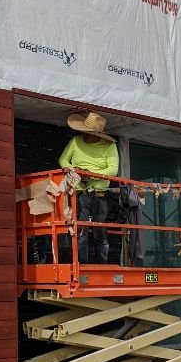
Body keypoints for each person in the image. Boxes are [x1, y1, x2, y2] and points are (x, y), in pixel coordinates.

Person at [59, 111, 120, 264]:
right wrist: (74, 171)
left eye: (89, 133)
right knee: (81, 231)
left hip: (100, 194)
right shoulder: (75, 141)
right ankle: (82, 265)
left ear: (98, 134)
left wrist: (91, 174)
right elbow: (63, 160)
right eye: (83, 132)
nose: (84, 135)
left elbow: (113, 170)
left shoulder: (109, 145)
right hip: (80, 193)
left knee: (100, 231)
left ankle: (102, 266)